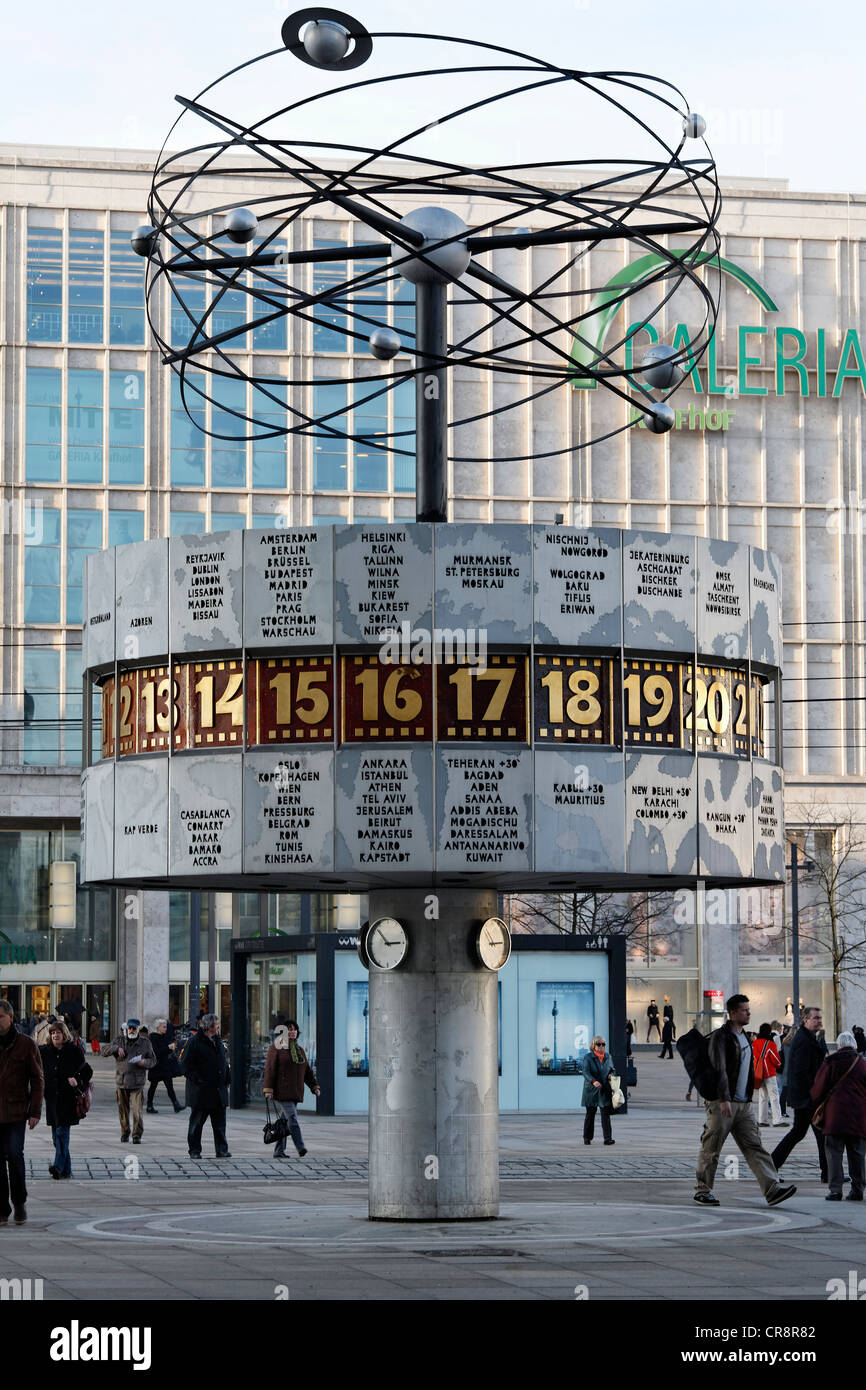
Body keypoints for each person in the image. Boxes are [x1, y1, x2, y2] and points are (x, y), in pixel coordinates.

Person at [693, 994, 796, 1209]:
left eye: (749, 1009)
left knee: (755, 1146)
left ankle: (772, 1189)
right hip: (723, 1104)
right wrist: (724, 1099)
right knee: (711, 1147)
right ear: (731, 1014)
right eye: (744, 1010)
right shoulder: (722, 1037)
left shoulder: (745, 1037)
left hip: (743, 1105)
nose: (749, 1013)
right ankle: (703, 1190)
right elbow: (719, 1068)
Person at [770, 1006, 828, 1183]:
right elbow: (802, 1072)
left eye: (820, 1017)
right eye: (815, 1018)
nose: (819, 1020)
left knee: (799, 1132)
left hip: (804, 1097)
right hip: (807, 1097)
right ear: (806, 1020)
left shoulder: (808, 1037)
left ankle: (771, 1166)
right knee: (820, 1134)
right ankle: (829, 1173)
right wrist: (814, 1094)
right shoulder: (804, 1040)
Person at [0, 1000, 44, 1224]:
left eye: (0, 1017)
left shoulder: (26, 1044)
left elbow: (37, 1080)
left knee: (15, 1155)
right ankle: (1, 1208)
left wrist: (35, 1110)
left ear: (11, 1017)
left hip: (16, 1110)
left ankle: (19, 1202)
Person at [810, 1031, 866, 1202]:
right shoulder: (862, 1064)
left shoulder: (831, 1062)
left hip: (835, 1116)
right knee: (857, 1153)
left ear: (839, 1045)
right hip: (857, 1116)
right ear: (854, 1045)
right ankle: (857, 1190)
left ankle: (835, 1190)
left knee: (834, 1152)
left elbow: (818, 1090)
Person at [39, 1018, 92, 1180]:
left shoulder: (73, 1051)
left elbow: (87, 1072)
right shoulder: (44, 1051)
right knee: (56, 1137)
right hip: (52, 1100)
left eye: (59, 1033)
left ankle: (58, 1167)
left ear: (64, 1034)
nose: (55, 1035)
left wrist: (77, 1082)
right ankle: (67, 1169)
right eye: (53, 1033)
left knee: (62, 1133)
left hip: (68, 1100)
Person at [262, 1020, 320, 1158]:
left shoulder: (299, 1050)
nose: (292, 1032)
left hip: (295, 1092)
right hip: (282, 1091)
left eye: (294, 1029)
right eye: (289, 1029)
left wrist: (314, 1087)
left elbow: (307, 1072)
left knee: (284, 1122)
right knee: (292, 1118)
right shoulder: (276, 1048)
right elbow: (270, 1069)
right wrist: (268, 1089)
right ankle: (300, 1147)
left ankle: (279, 1151)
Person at [183, 1013, 231, 1158]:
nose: (218, 1026)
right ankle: (194, 1150)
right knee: (196, 1124)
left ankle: (222, 1150)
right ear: (210, 1026)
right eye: (217, 1024)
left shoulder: (218, 1041)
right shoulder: (195, 1042)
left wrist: (227, 1079)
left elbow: (223, 1063)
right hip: (201, 1092)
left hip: (218, 1092)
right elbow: (185, 1065)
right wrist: (198, 1080)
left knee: (220, 1125)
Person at [102, 1019, 155, 1144]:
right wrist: (115, 1048)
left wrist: (144, 1062)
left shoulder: (145, 1042)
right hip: (122, 1080)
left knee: (137, 1110)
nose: (132, 1030)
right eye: (130, 1028)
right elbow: (103, 1051)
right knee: (123, 1111)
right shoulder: (119, 1040)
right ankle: (125, 1132)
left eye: (134, 1028)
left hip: (137, 1081)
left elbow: (153, 1060)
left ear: (138, 1029)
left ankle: (137, 1135)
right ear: (126, 1029)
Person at [581, 1035, 615, 1146]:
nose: (601, 1046)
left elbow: (612, 1069)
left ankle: (608, 1138)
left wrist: (611, 1075)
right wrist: (593, 1081)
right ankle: (587, 1137)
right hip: (591, 1089)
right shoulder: (588, 1057)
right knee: (590, 1114)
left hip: (604, 1089)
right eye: (599, 1044)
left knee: (605, 1113)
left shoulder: (607, 1056)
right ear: (593, 1045)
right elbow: (585, 1072)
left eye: (603, 1044)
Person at [147, 1019, 185, 1114]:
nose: (166, 1029)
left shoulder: (165, 1037)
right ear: (158, 1027)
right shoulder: (153, 1037)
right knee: (153, 1086)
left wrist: (171, 1048)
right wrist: (168, 1047)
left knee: (169, 1086)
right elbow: (156, 1052)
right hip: (156, 1065)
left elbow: (165, 1051)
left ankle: (176, 1104)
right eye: (164, 1027)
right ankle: (149, 1105)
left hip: (165, 1065)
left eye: (166, 1027)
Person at [752, 1022, 785, 1128]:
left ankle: (762, 1120)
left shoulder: (755, 1043)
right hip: (769, 1073)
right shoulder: (770, 1044)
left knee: (762, 1097)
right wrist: (779, 1064)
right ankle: (777, 1120)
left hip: (758, 1072)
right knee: (774, 1096)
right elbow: (776, 1060)